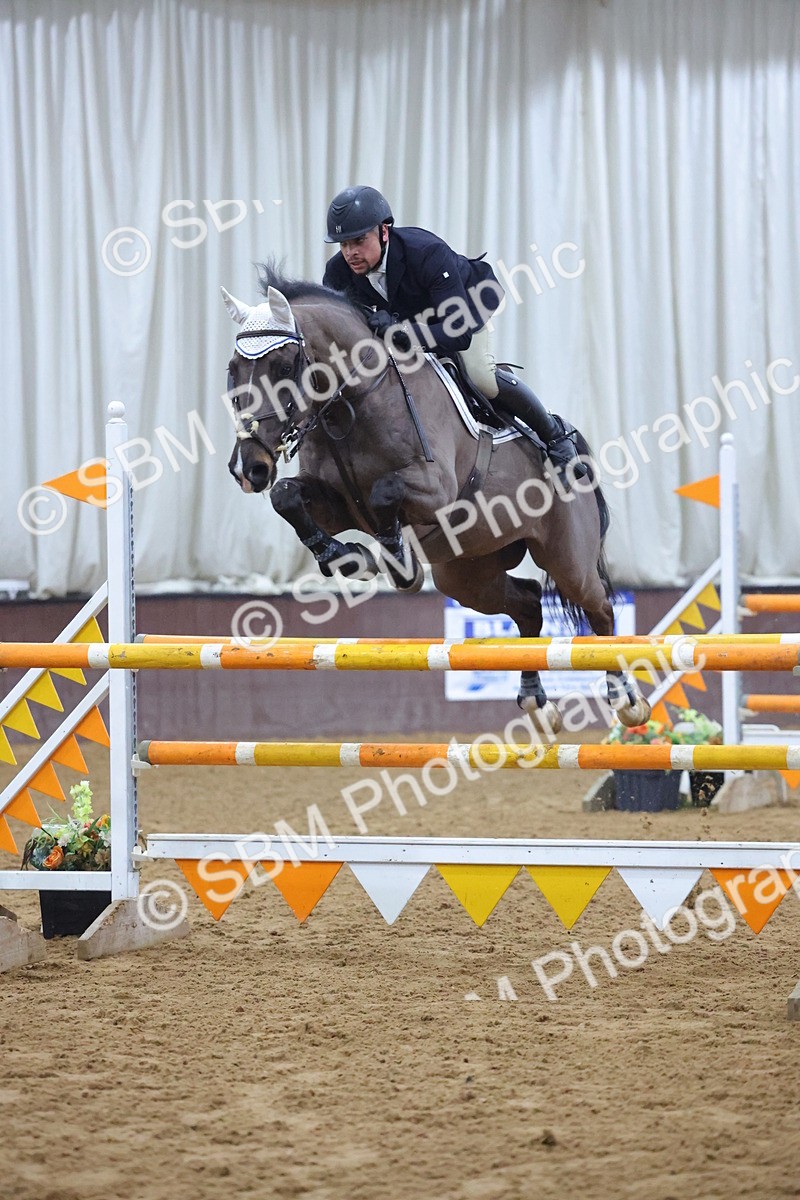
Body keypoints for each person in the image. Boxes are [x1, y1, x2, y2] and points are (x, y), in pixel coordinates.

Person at [322, 185, 588, 488]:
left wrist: (402, 331)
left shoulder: (425, 252)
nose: (350, 253)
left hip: (461, 313)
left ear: (384, 232)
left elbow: (457, 333)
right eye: (343, 244)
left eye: (359, 240)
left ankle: (555, 434)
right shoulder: (337, 273)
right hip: (406, 327)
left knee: (480, 376)